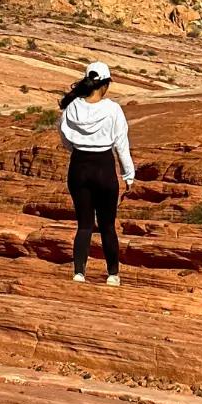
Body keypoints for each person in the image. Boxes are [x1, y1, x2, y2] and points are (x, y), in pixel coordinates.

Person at [58, 60, 134, 285]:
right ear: (105, 85)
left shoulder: (72, 107)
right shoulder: (112, 109)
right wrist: (128, 175)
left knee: (84, 224)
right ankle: (112, 275)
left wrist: (79, 149)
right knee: (108, 225)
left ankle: (79, 272)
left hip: (79, 166)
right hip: (104, 167)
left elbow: (64, 138)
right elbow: (121, 144)